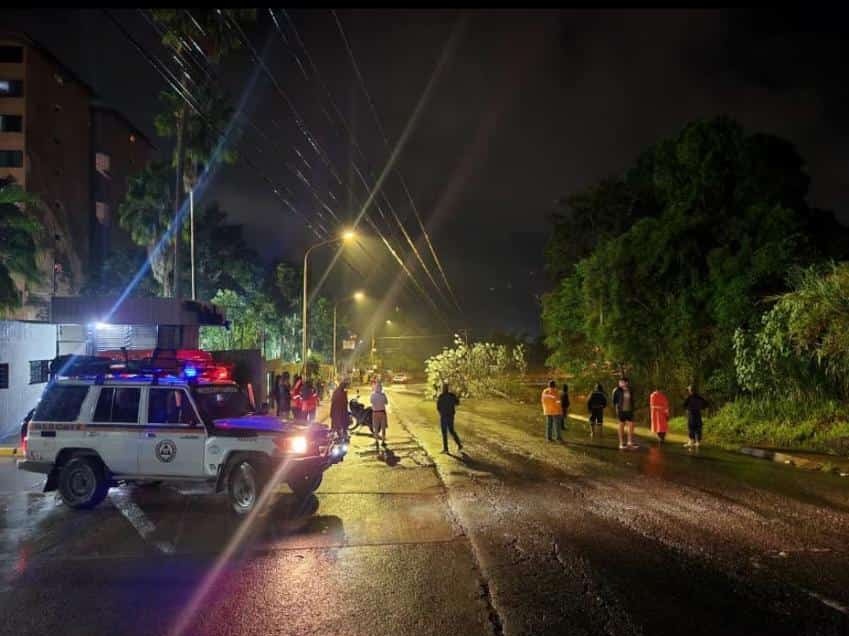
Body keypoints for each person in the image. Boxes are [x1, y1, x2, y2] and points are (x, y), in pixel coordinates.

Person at [437, 383, 463, 454]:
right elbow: (457, 403)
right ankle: (459, 445)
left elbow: (438, 407)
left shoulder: (441, 396)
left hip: (444, 416)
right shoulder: (451, 395)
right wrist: (457, 397)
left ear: (443, 389)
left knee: (445, 432)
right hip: (450, 416)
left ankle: (446, 449)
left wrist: (441, 413)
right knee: (451, 431)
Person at [612, 377, 637, 450]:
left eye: (622, 382)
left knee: (631, 426)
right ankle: (621, 443)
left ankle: (630, 442)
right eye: (619, 382)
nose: (620, 383)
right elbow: (614, 401)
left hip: (629, 411)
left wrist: (633, 408)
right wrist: (617, 409)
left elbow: (632, 400)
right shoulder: (616, 390)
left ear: (626, 383)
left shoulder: (630, 390)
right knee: (621, 426)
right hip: (621, 411)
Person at [330, 377, 350, 443]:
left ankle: (340, 435)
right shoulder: (341, 393)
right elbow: (344, 402)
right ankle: (340, 436)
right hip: (339, 412)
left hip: (337, 412)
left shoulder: (337, 391)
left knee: (338, 424)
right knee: (340, 424)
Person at [370, 381, 389, 448]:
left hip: (375, 413)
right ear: (381, 388)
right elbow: (386, 403)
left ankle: (376, 441)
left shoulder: (372, 395)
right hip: (382, 413)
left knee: (375, 428)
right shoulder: (383, 395)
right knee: (383, 428)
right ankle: (383, 441)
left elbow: (371, 402)